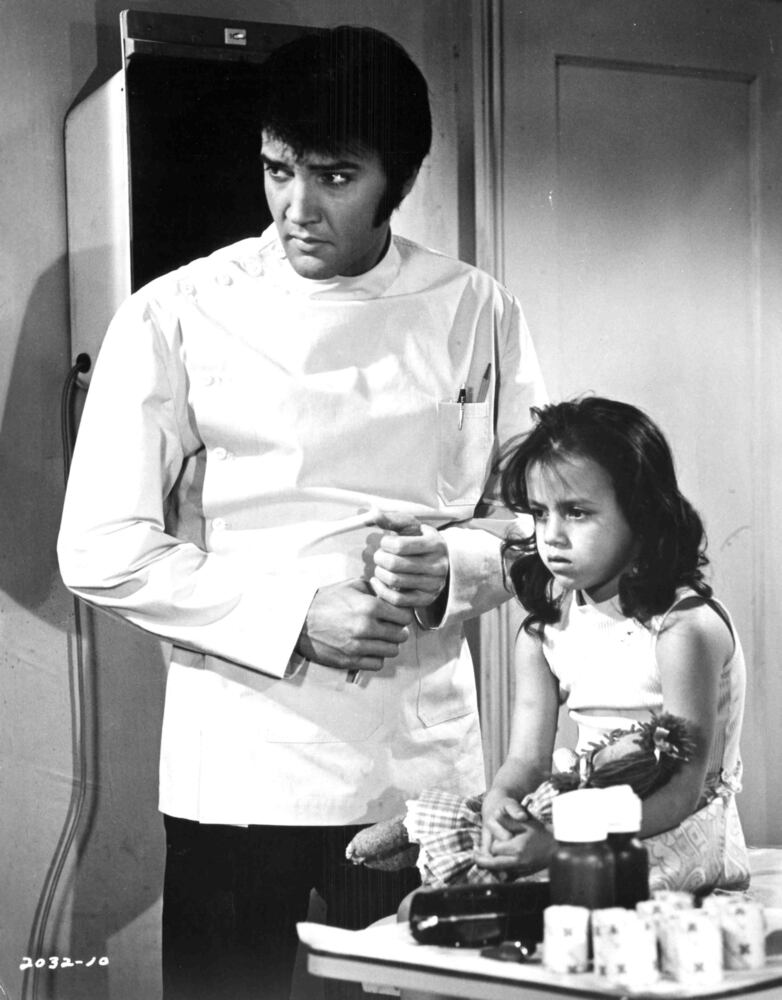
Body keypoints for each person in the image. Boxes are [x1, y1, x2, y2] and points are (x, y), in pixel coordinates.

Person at [57, 25, 546, 1000]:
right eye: (278, 169)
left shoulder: (476, 310)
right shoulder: (176, 312)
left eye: (334, 177)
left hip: (422, 772)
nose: (296, 207)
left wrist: (454, 568)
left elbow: (536, 521)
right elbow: (100, 547)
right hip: (243, 769)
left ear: (398, 179)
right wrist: (294, 616)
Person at [348, 396, 750, 896]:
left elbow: (681, 794)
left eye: (576, 513)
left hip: (672, 829)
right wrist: (502, 799)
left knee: (540, 898)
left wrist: (560, 843)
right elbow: (526, 762)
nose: (552, 536)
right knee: (439, 895)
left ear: (642, 515)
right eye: (540, 514)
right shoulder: (545, 631)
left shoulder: (682, 630)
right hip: (585, 811)